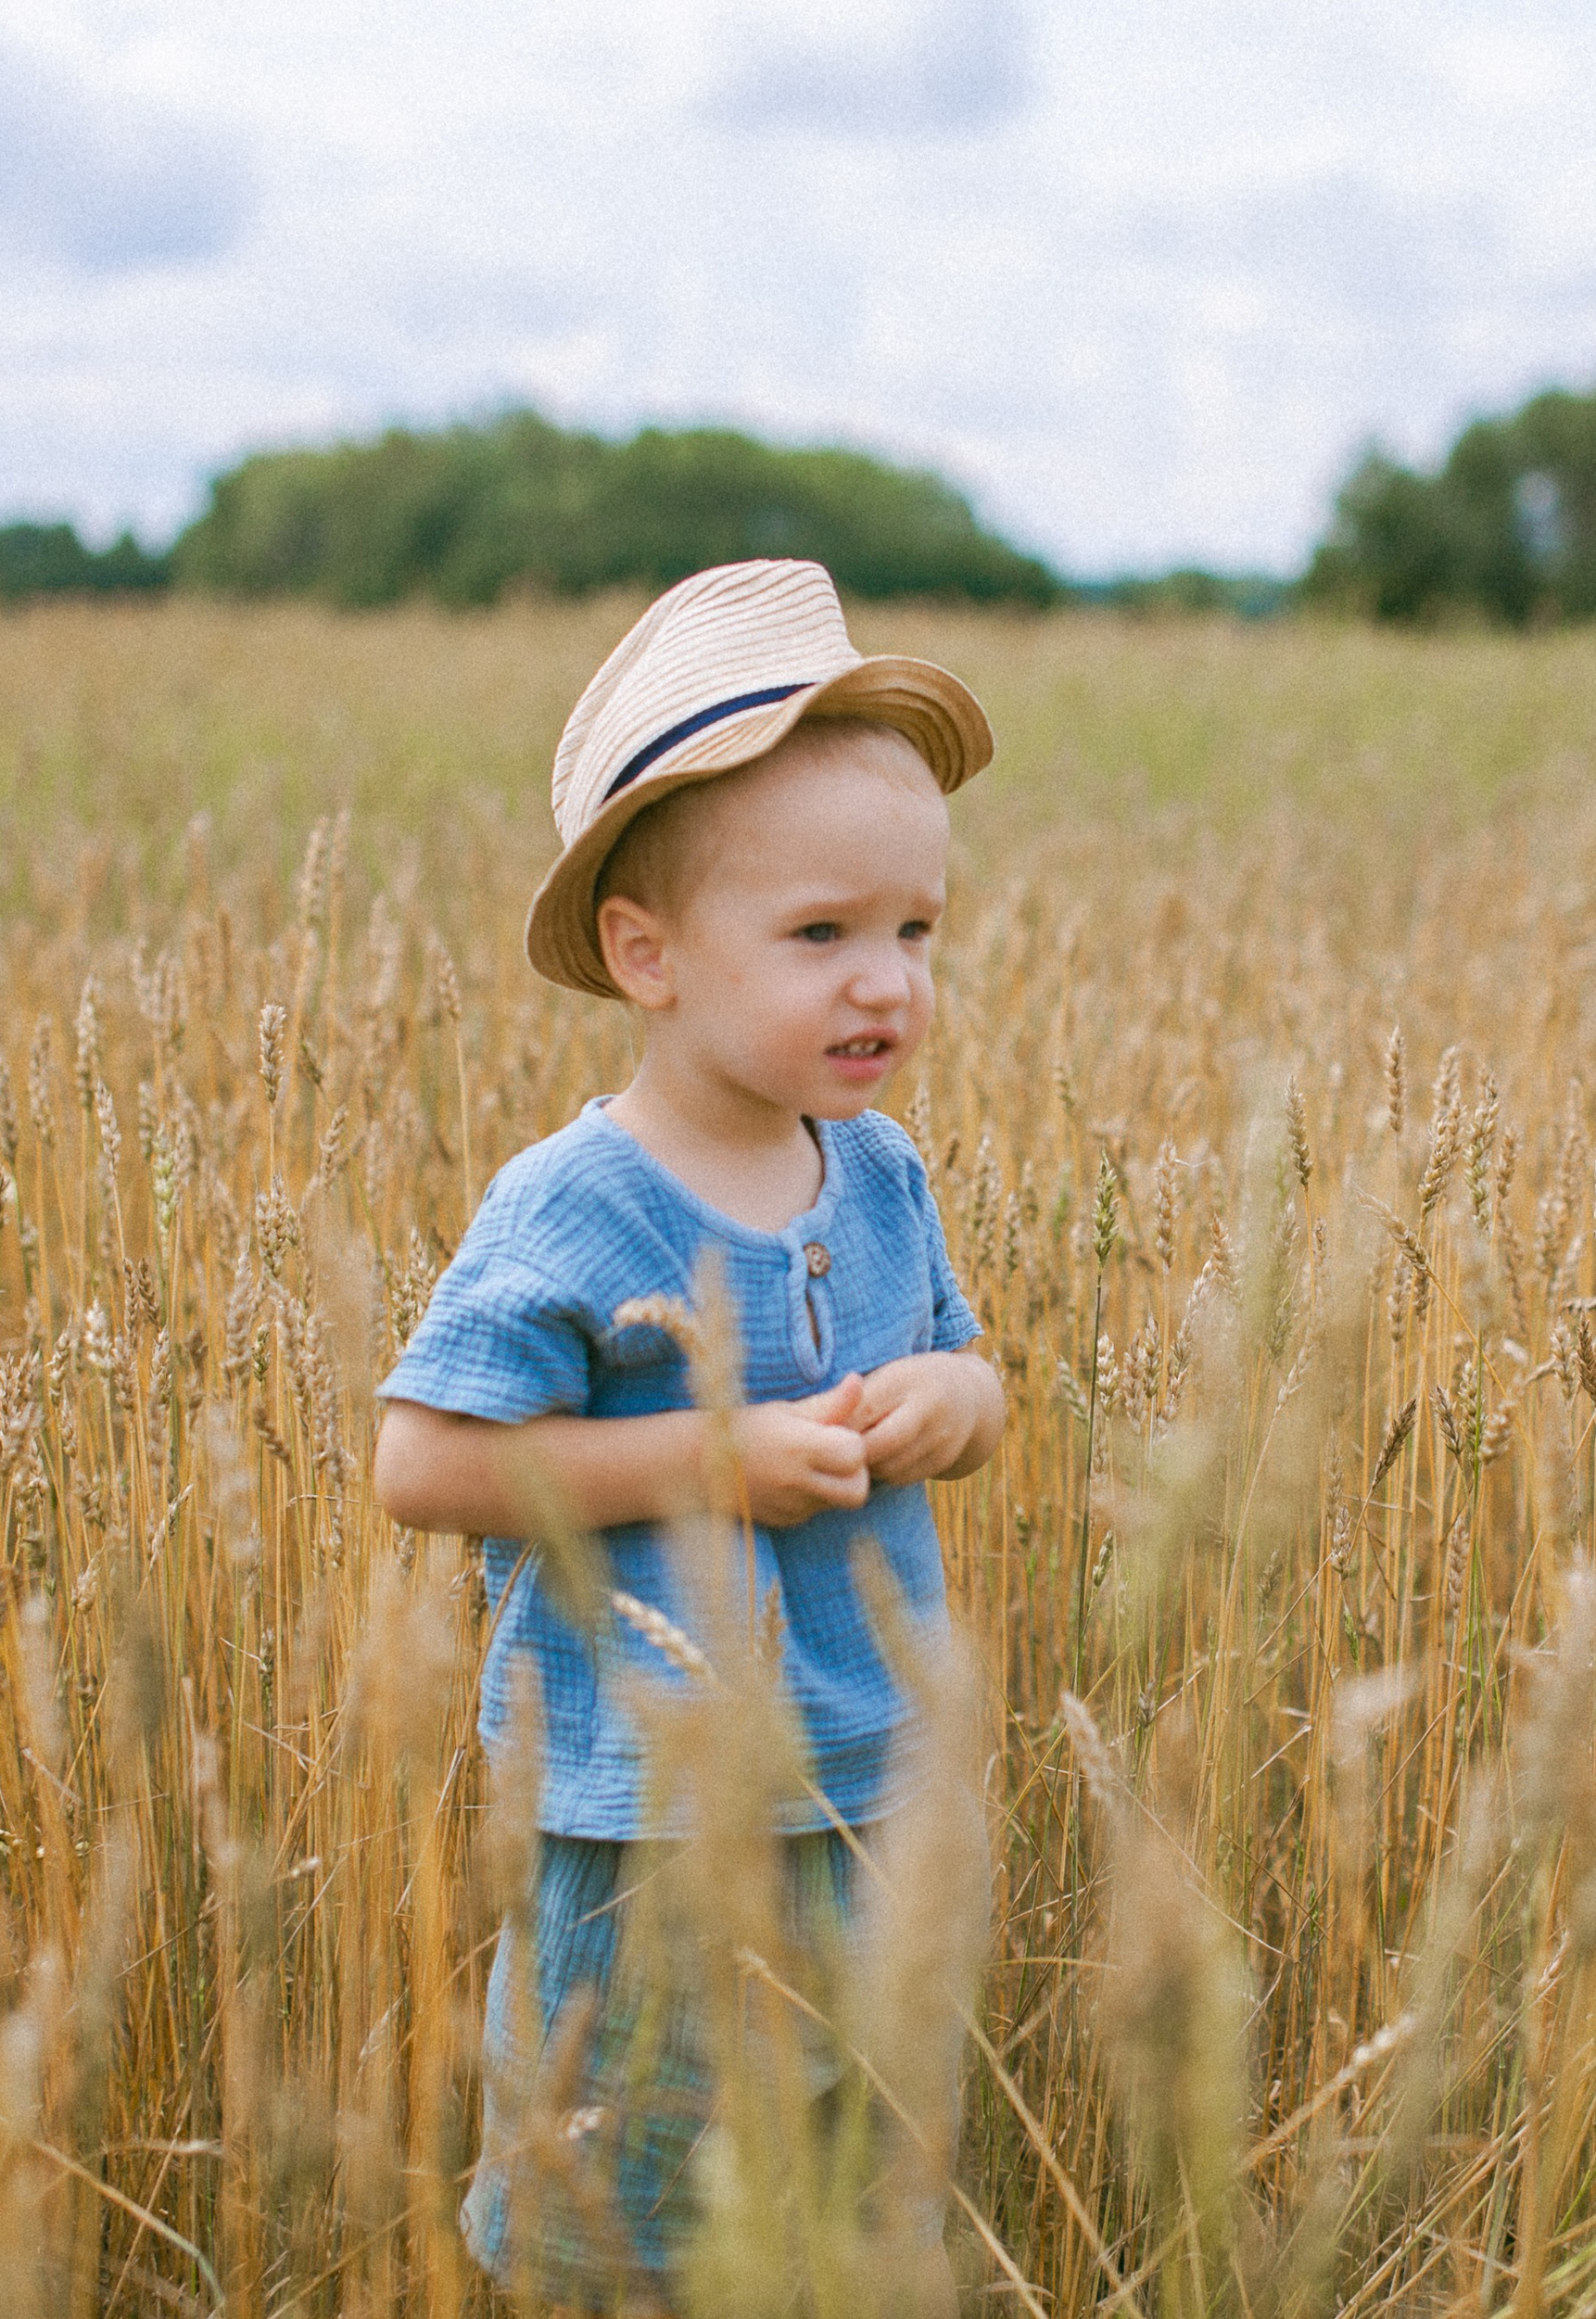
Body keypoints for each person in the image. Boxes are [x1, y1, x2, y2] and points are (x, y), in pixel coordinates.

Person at [371, 558, 1007, 2314]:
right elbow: (424, 1463)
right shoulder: (576, 1205)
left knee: (846, 2198)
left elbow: (972, 1371)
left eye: (916, 932)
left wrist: (955, 1407)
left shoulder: (874, 1172)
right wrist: (701, 1464)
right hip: (637, 1821)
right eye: (822, 936)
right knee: (623, 2221)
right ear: (644, 954)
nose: (886, 983)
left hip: (871, 1788)